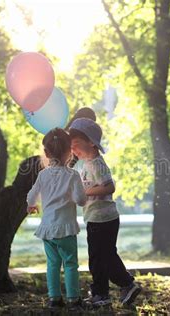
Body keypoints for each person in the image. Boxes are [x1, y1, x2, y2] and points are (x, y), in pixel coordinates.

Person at [69, 117, 142, 307]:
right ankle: (101, 294)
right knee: (99, 257)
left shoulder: (96, 164)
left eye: (76, 144)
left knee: (104, 256)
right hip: (95, 218)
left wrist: (85, 192)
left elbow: (110, 187)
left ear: (91, 144)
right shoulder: (86, 163)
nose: (73, 150)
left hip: (103, 219)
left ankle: (126, 284)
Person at [26, 128, 86, 310]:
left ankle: (54, 298)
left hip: (48, 229)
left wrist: (32, 205)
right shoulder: (73, 175)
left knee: (52, 264)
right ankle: (74, 299)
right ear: (70, 152)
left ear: (45, 152)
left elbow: (31, 196)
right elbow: (81, 200)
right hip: (66, 228)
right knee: (70, 264)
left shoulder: (42, 175)